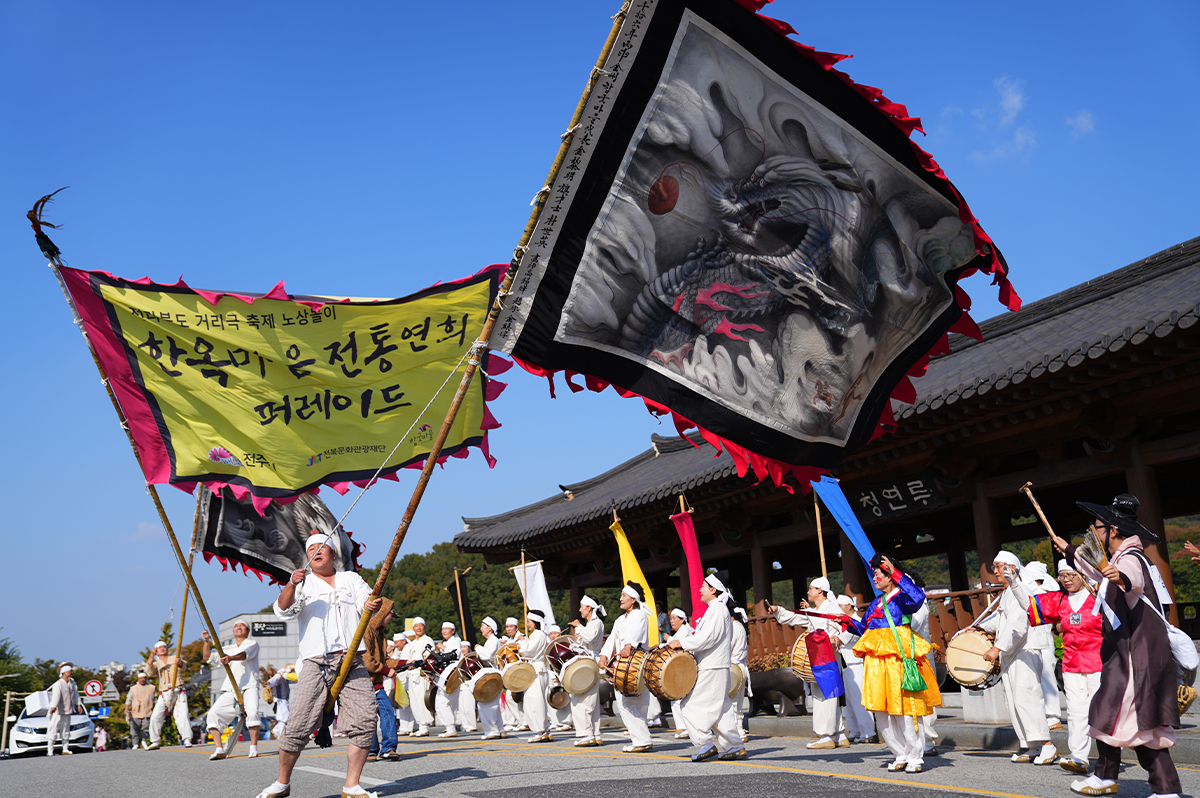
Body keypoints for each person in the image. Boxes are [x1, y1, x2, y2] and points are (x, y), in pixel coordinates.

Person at [1048, 493, 1182, 798]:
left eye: (1098, 527)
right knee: (1129, 718)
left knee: (1118, 713)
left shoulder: (1131, 559)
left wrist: (1119, 576)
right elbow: (1097, 570)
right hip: (1130, 652)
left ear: (1114, 530)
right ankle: (1136, 783)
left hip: (1138, 653)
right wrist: (1068, 549)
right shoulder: (1121, 558)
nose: (1094, 532)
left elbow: (1129, 579)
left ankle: (1129, 782)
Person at [253, 532, 383, 798]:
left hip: (352, 659)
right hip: (316, 661)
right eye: (312, 548)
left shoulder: (351, 578)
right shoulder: (303, 583)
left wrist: (370, 604)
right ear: (308, 558)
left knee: (366, 719)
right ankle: (282, 782)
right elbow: (283, 609)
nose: (317, 551)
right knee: (298, 723)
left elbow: (364, 602)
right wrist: (290, 583)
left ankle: (352, 785)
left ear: (333, 554)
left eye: (322, 547)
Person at [846, 554, 942, 774]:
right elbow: (865, 630)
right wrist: (846, 623)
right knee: (882, 710)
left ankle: (915, 756)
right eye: (874, 575)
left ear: (889, 576)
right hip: (878, 663)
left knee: (905, 709)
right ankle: (900, 753)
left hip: (899, 658)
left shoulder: (901, 597)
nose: (875, 579)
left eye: (878, 574)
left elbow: (918, 598)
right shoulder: (875, 603)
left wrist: (896, 573)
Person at [979, 552, 1058, 766]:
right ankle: (1032, 747)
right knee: (1014, 701)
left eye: (998, 566)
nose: (995, 571)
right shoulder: (1007, 591)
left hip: (1025, 651)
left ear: (1012, 568)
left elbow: (1018, 625)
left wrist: (997, 648)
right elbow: (999, 620)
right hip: (1013, 653)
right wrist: (977, 627)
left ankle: (1047, 746)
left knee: (1028, 699)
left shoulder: (1021, 589)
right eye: (994, 566)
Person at [1025, 559, 1103, 774]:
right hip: (1071, 664)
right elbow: (1027, 606)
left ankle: (1108, 759)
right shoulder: (1059, 600)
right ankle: (1079, 757)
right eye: (1062, 576)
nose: (1066, 580)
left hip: (1099, 663)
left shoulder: (1099, 596)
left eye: (1072, 575)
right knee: (1077, 712)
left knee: (1102, 711)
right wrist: (1014, 585)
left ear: (1084, 574)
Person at [668, 574, 745, 761]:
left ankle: (705, 744)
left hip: (712, 666)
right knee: (721, 709)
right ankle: (734, 746)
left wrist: (682, 643)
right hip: (714, 665)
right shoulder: (715, 609)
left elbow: (708, 638)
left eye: (703, 586)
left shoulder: (718, 609)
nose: (700, 589)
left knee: (688, 705)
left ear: (713, 589)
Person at [770, 576, 847, 749]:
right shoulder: (817, 610)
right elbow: (796, 618)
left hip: (827, 655)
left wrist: (839, 638)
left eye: (811, 588)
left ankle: (826, 736)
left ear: (820, 590)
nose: (808, 591)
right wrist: (778, 610)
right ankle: (840, 734)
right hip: (820, 654)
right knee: (829, 693)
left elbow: (847, 627)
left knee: (824, 694)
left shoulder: (832, 608)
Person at [598, 582, 653, 753]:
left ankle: (642, 740)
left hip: (636, 663)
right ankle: (641, 739)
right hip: (623, 664)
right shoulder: (619, 620)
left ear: (633, 599)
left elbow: (636, 635)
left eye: (624, 596)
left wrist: (629, 645)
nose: (620, 599)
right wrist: (604, 656)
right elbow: (612, 639)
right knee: (625, 702)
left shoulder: (640, 616)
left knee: (635, 702)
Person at [202, 622, 262, 760]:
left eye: (242, 626)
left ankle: (253, 747)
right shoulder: (228, 647)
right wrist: (206, 641)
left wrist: (231, 658)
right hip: (230, 688)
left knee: (252, 713)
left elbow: (243, 655)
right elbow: (207, 658)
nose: (238, 628)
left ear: (247, 630)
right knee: (213, 714)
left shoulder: (252, 643)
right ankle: (219, 749)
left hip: (249, 686)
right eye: (236, 626)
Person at [1024, 560, 1064, 730]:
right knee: (1043, 679)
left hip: (1042, 641)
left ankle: (1053, 716)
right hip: (1037, 640)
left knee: (1046, 678)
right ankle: (1048, 716)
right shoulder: (1043, 591)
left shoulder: (1040, 593)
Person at [362, 597, 400, 761]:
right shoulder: (366, 630)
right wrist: (386, 670)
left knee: (385, 713)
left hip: (375, 682)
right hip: (362, 682)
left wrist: (407, 663)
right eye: (391, 614)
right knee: (370, 717)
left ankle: (384, 748)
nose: (392, 618)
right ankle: (375, 749)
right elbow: (366, 660)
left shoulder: (381, 634)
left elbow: (384, 660)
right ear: (383, 613)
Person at [835, 595, 877, 744]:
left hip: (856, 664)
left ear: (848, 606)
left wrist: (838, 637)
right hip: (845, 664)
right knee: (848, 702)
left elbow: (851, 633)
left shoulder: (858, 620)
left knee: (859, 700)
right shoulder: (841, 621)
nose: (838, 610)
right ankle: (855, 731)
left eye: (840, 606)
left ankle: (868, 732)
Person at [568, 596, 605, 746]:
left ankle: (587, 734)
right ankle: (594, 733)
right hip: (586, 663)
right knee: (590, 700)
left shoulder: (596, 623)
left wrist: (579, 627)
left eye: (582, 606)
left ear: (589, 608)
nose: (580, 610)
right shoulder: (591, 624)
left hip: (590, 663)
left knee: (583, 699)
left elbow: (590, 638)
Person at [145, 641, 191, 749]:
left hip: (178, 689)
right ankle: (155, 741)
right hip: (165, 691)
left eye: (164, 647)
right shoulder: (156, 663)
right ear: (156, 651)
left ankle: (187, 738)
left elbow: (184, 667)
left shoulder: (175, 657)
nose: (162, 649)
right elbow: (150, 672)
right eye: (159, 648)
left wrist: (179, 662)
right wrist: (152, 655)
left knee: (183, 715)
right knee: (155, 717)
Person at [517, 608, 553, 742]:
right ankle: (544, 729)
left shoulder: (538, 634)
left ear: (535, 622)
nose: (527, 624)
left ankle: (540, 731)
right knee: (538, 700)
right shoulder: (539, 635)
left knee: (534, 701)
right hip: (538, 669)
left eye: (529, 621)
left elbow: (527, 651)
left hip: (536, 669)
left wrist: (521, 640)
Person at [401, 618, 435, 737]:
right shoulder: (412, 643)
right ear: (413, 629)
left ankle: (424, 726)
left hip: (422, 674)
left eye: (421, 626)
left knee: (421, 700)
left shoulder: (427, 640)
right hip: (412, 675)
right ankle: (420, 725)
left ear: (425, 627)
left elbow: (428, 657)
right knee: (414, 701)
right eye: (416, 626)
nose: (419, 628)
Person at [474, 617, 506, 740]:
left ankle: (492, 730)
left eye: (483, 625)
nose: (481, 628)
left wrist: (478, 648)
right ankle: (500, 728)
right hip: (491, 674)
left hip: (493, 674)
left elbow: (487, 656)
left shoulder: (493, 640)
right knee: (492, 703)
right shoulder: (490, 641)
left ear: (490, 628)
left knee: (486, 703)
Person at [665, 608, 694, 739]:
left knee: (680, 698)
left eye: (674, 618)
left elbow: (681, 645)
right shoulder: (680, 632)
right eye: (671, 618)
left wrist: (669, 638)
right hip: (679, 668)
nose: (672, 621)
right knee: (676, 699)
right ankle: (684, 727)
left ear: (682, 620)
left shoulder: (685, 631)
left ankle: (687, 727)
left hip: (685, 668)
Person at [46, 664, 82, 756]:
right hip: (58, 711)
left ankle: (65, 748)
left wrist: (79, 705)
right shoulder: (58, 684)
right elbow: (56, 696)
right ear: (65, 672)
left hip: (67, 710)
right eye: (70, 671)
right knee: (53, 728)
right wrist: (53, 707)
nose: (72, 673)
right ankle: (50, 750)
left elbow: (76, 694)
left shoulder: (72, 683)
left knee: (65, 729)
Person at [435, 622, 462, 738]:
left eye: (447, 629)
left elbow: (454, 655)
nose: (445, 631)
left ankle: (451, 728)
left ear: (453, 630)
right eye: (443, 629)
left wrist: (443, 648)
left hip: (452, 674)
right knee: (443, 701)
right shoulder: (448, 642)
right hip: (446, 674)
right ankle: (449, 727)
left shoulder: (455, 641)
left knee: (443, 701)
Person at [730, 606, 751, 742]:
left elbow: (727, 647)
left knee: (731, 702)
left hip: (733, 667)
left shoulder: (733, 627)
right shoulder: (741, 627)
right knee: (737, 702)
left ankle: (737, 731)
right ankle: (740, 730)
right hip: (740, 667)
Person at [124, 671, 155, 750]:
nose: (142, 680)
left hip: (147, 710)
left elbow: (155, 699)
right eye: (140, 678)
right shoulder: (133, 688)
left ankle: (144, 741)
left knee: (146, 727)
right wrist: (126, 709)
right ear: (138, 679)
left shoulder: (152, 687)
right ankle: (135, 743)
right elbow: (128, 700)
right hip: (135, 712)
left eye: (144, 678)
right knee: (134, 729)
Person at [266, 664, 296, 740]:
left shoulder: (284, 677)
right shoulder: (279, 676)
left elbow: (294, 680)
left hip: (283, 700)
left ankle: (279, 733)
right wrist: (268, 682)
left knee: (285, 718)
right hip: (280, 700)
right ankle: (277, 731)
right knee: (284, 718)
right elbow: (273, 680)